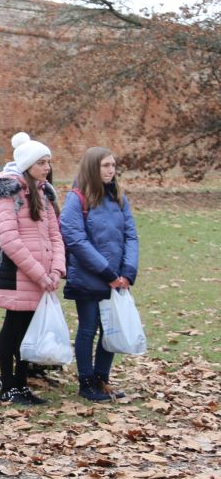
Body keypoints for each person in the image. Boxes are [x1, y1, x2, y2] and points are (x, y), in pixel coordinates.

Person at [0, 132, 65, 406]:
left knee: (30, 332)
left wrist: (56, 270)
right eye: (42, 162)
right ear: (28, 165)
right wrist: (39, 274)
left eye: (48, 162)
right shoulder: (7, 193)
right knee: (14, 329)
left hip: (42, 276)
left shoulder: (43, 194)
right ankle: (9, 386)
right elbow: (9, 240)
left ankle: (23, 384)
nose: (48, 167)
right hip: (19, 274)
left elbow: (56, 235)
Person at [61, 147, 139, 402]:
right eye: (105, 165)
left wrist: (127, 271)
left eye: (113, 165)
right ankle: (86, 382)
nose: (111, 170)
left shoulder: (118, 197)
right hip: (88, 276)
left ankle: (101, 379)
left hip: (116, 277)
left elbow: (130, 234)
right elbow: (75, 239)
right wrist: (105, 271)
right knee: (89, 328)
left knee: (110, 329)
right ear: (93, 168)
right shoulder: (77, 198)